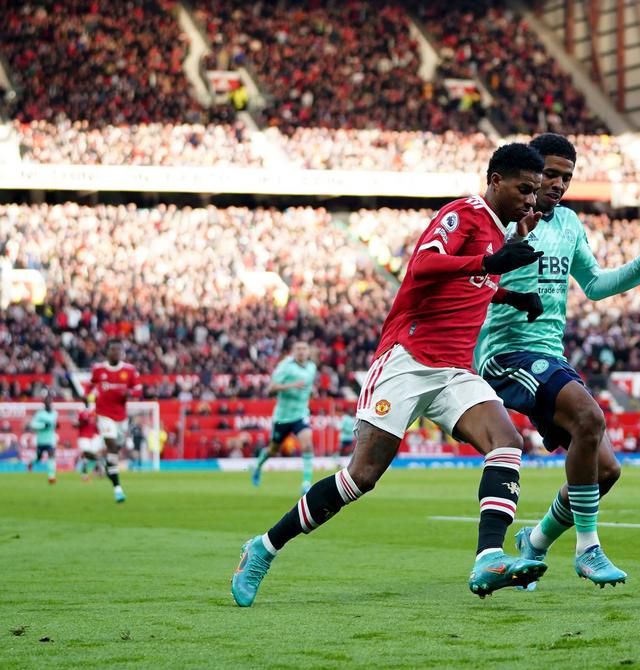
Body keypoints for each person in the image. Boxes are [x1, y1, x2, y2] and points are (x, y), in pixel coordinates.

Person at [231, 143, 550, 607]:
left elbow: (466, 288)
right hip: (407, 359)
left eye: (535, 192)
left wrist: (510, 297)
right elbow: (422, 268)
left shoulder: (502, 233)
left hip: (454, 370)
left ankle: (488, 557)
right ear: (496, 181)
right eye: (524, 189)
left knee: (507, 443)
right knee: (360, 477)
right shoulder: (464, 213)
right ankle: (263, 547)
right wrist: (487, 263)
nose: (530, 200)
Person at [475, 133, 640, 588]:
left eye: (567, 176)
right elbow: (475, 275)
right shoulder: (501, 221)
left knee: (606, 471)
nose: (559, 184)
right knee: (588, 415)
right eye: (550, 174)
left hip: (549, 356)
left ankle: (536, 543)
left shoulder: (568, 223)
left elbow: (596, 284)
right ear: (529, 172)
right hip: (505, 353)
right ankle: (588, 548)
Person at [251, 341, 318, 494]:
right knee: (273, 450)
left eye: (304, 349)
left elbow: (307, 386)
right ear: (293, 351)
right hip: (282, 417)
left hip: (301, 414)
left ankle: (306, 483)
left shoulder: (312, 368)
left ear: (308, 352)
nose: (301, 351)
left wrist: (312, 392)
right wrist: (292, 385)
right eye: (298, 349)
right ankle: (258, 465)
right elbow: (270, 390)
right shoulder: (285, 366)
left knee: (307, 445)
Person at [90, 340, 142, 502]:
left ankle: (108, 466)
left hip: (121, 416)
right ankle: (118, 489)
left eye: (119, 350)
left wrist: (130, 393)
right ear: (108, 352)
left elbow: (138, 390)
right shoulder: (99, 369)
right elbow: (91, 386)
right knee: (112, 446)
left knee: (116, 450)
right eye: (113, 350)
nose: (116, 353)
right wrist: (90, 397)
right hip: (104, 414)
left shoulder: (129, 370)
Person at [29, 395, 59, 484]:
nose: (49, 403)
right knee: (38, 458)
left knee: (51, 456)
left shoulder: (55, 413)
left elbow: (53, 424)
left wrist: (56, 425)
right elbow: (33, 425)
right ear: (44, 403)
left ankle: (51, 476)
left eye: (50, 401)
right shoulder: (39, 414)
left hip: (51, 440)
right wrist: (43, 426)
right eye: (47, 401)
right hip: (41, 440)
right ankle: (31, 463)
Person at [75, 395, 101, 481]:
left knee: (89, 455)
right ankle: (98, 466)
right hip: (83, 436)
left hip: (94, 436)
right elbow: (76, 424)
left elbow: (98, 423)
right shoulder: (80, 410)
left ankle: (90, 471)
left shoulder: (95, 410)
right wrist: (82, 422)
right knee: (86, 453)